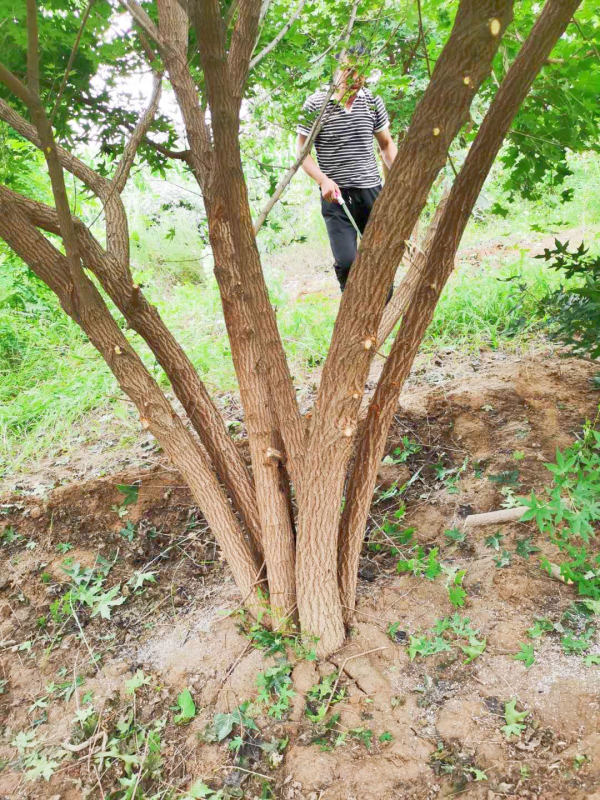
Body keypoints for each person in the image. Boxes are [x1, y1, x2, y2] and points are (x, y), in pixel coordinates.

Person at [296, 44, 398, 293]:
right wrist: (323, 181)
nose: (356, 78)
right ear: (336, 69)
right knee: (347, 262)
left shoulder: (373, 102)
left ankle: (384, 314)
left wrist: (402, 182)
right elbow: (302, 153)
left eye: (361, 72)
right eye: (350, 70)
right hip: (336, 197)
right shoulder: (316, 105)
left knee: (382, 259)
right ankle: (352, 317)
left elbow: (386, 145)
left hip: (371, 192)